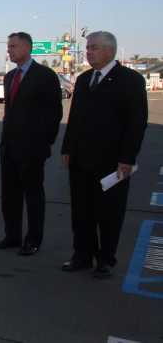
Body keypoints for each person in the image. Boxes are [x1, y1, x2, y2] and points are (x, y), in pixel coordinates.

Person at [60, 31, 148, 278]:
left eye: (94, 48)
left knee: (109, 213)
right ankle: (82, 255)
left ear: (110, 50)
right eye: (88, 48)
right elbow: (75, 117)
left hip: (112, 162)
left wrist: (127, 158)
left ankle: (106, 259)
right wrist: (67, 148)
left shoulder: (129, 80)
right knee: (82, 211)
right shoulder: (84, 79)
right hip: (80, 159)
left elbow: (136, 123)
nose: (88, 52)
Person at [0, 32, 63, 256]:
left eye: (13, 46)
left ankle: (33, 239)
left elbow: (55, 114)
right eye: (8, 46)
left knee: (33, 195)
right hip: (10, 148)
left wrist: (43, 142)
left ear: (27, 48)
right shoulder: (10, 76)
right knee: (10, 196)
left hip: (32, 150)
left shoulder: (45, 75)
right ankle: (12, 235)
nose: (9, 50)